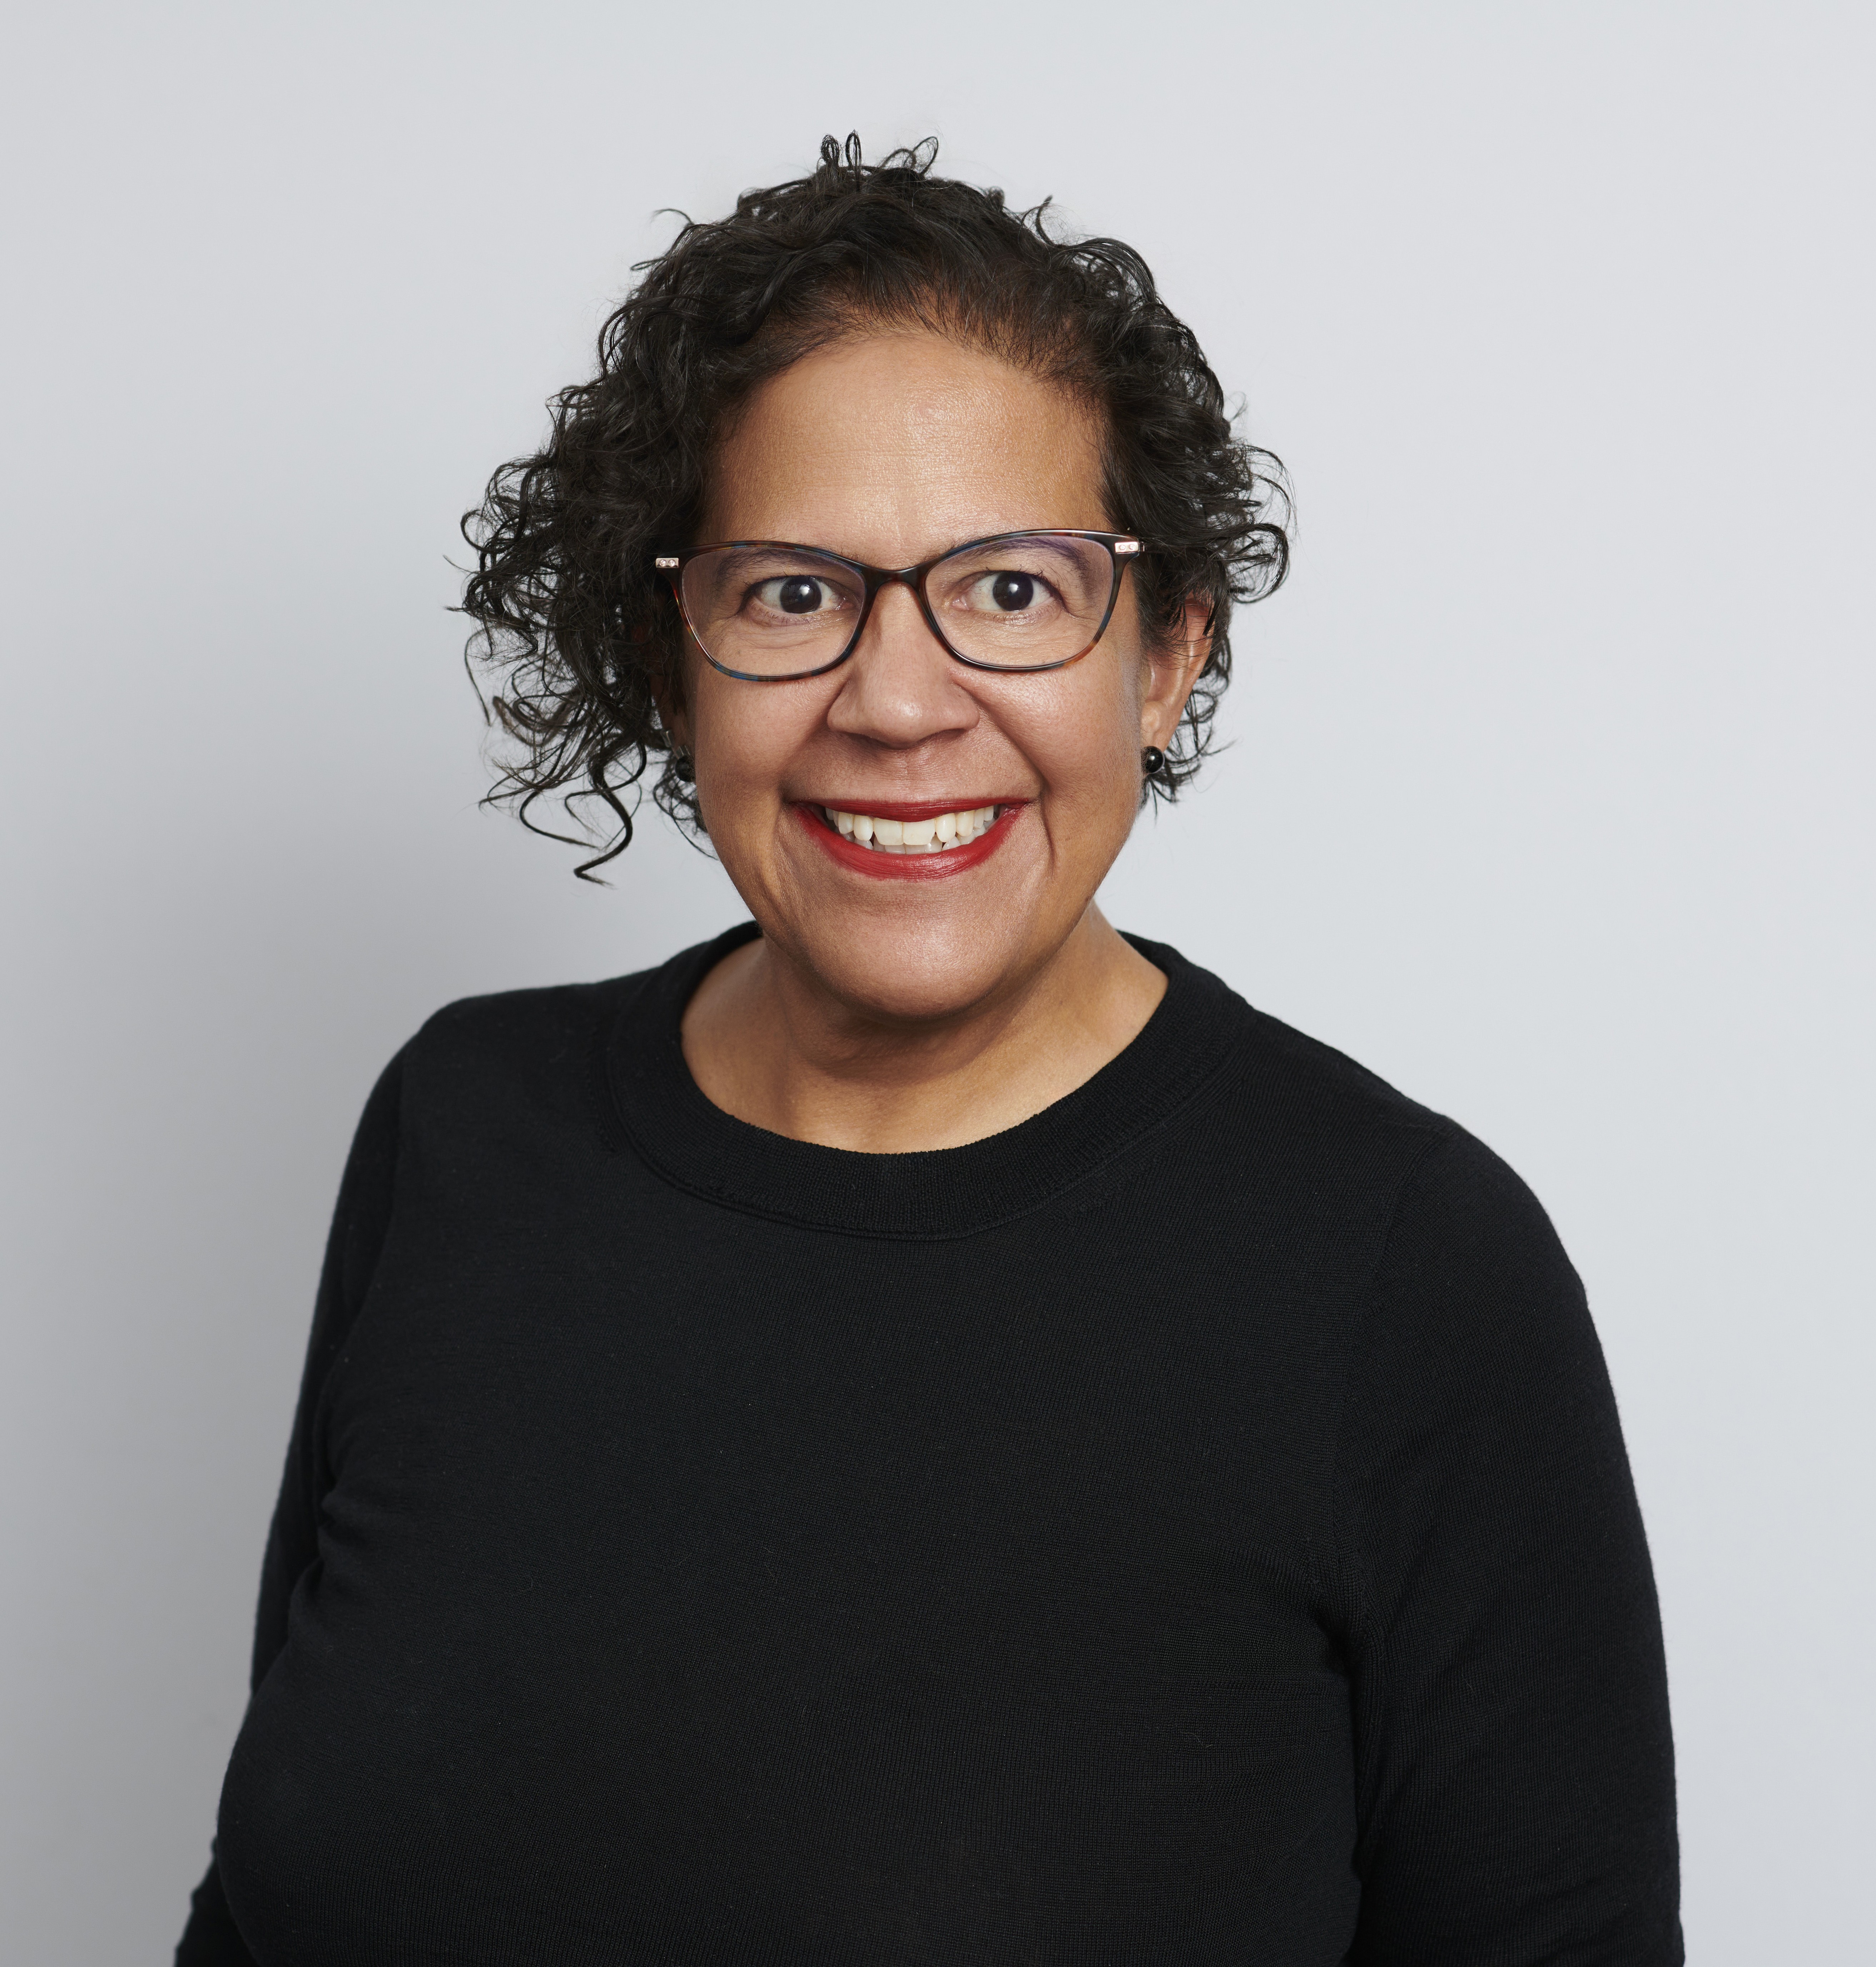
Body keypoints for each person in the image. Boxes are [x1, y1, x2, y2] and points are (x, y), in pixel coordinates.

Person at [176, 135, 1681, 1964]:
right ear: (671, 655)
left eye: (1013, 588)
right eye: (791, 592)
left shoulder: (1405, 1268)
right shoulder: (465, 1125)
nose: (895, 700)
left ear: (1165, 654)